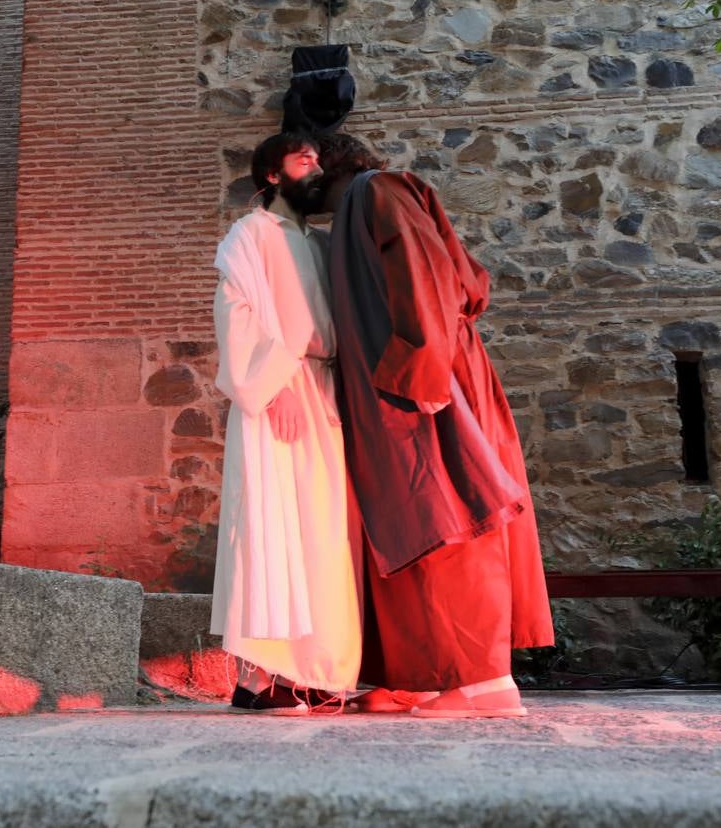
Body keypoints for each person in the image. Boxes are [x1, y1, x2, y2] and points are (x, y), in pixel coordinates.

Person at [318, 133, 554, 718]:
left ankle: (481, 684)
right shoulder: (358, 206)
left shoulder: (378, 190)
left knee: (449, 514)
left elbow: (426, 274)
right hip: (402, 385)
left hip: (426, 383)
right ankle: (419, 676)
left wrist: (420, 375)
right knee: (406, 523)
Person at [209, 132, 362, 713]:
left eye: (319, 160)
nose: (317, 168)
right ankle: (257, 681)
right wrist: (274, 388)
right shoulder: (251, 234)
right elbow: (236, 310)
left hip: (323, 390)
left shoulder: (319, 243)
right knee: (270, 526)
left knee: (321, 534)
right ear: (273, 175)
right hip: (276, 392)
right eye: (305, 160)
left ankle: (316, 673)